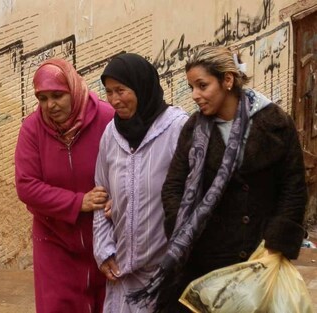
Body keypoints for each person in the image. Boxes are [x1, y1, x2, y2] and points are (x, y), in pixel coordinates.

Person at [129, 45, 308, 313]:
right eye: (192, 87)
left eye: (202, 85)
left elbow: (293, 187)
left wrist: (275, 245)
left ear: (227, 80)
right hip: (204, 260)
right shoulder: (194, 130)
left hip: (258, 257)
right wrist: (183, 230)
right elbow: (174, 186)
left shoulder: (274, 124)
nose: (195, 95)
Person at [14, 58, 115, 313]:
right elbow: (26, 185)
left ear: (73, 89)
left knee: (109, 304)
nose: (50, 105)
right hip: (54, 238)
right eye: (43, 98)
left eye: (58, 95)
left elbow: (128, 166)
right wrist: (78, 202)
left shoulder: (106, 118)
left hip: (104, 234)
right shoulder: (32, 129)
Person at [92, 53, 189, 312]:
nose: (114, 100)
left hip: (166, 273)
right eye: (109, 92)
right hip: (122, 274)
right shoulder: (111, 135)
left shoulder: (177, 128)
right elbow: (100, 195)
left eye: (121, 90)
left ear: (142, 86)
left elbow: (194, 193)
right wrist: (103, 249)